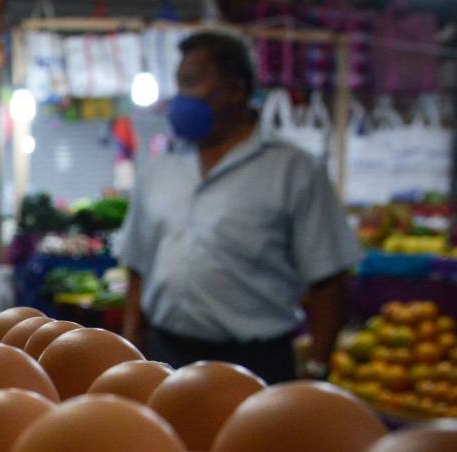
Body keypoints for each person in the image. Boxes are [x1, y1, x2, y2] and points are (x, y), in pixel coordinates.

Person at [118, 31, 361, 384]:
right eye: (179, 84)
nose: (180, 98)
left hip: (255, 363)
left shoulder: (294, 170)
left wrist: (317, 368)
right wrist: (132, 346)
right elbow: (137, 267)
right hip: (166, 356)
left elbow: (329, 282)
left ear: (235, 90)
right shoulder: (160, 167)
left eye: (192, 83)